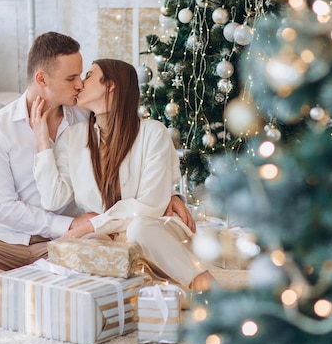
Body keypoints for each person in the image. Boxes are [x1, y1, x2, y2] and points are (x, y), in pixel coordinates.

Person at [0, 32, 194, 302]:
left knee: (106, 253)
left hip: (77, 243)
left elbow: (129, 148)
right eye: (71, 78)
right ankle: (32, 288)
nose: (79, 84)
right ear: (42, 79)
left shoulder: (85, 114)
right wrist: (68, 225)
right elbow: (3, 207)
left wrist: (168, 194)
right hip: (11, 241)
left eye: (82, 76)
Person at [31, 58, 216, 292]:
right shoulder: (73, 138)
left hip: (154, 231)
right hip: (109, 239)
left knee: (138, 228)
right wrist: (41, 138)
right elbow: (52, 199)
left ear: (110, 85)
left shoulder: (152, 133)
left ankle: (207, 287)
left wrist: (93, 224)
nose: (79, 84)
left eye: (88, 76)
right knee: (86, 247)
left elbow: (149, 206)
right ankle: (150, 295)